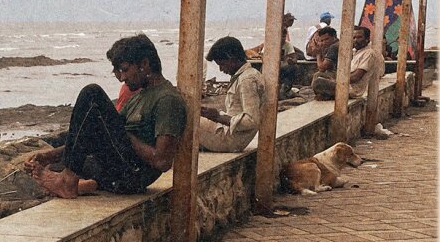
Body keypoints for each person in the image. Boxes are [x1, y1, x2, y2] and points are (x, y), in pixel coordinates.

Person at [24, 34, 186, 199]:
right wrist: (48, 156)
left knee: (92, 94)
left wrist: (124, 134)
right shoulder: (139, 96)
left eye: (125, 70)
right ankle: (84, 183)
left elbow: (162, 161)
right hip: (117, 169)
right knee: (58, 159)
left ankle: (68, 182)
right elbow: (99, 135)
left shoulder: (167, 99)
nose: (122, 78)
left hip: (133, 175)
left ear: (144, 64)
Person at [199, 36, 265, 153]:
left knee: (185, 118)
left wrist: (218, 116)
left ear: (232, 58)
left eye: (222, 64)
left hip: (230, 139)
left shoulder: (247, 80)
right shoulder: (245, 75)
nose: (221, 70)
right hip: (232, 134)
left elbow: (252, 121)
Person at [312, 26, 383, 101]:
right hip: (346, 83)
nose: (355, 40)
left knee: (318, 82)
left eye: (359, 37)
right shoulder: (355, 51)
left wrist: (336, 81)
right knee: (318, 75)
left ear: (367, 39)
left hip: (353, 89)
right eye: (354, 37)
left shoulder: (369, 53)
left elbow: (356, 77)